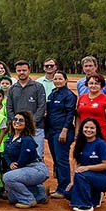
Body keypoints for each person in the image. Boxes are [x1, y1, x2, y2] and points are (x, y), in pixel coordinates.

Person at [2, 112, 49, 209]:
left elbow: (25, 156)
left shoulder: (27, 139)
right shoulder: (10, 138)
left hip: (35, 169)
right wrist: (10, 164)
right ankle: (40, 194)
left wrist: (16, 166)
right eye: (15, 119)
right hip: (23, 169)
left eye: (21, 120)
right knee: (12, 198)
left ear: (26, 123)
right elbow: (5, 153)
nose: (17, 122)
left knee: (7, 177)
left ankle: (28, 200)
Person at [68, 118, 106, 211]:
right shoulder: (80, 143)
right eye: (86, 127)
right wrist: (73, 181)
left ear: (96, 130)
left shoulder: (101, 144)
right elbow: (76, 163)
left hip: (103, 177)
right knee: (68, 194)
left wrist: (87, 168)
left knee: (81, 176)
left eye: (92, 128)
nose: (88, 130)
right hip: (87, 176)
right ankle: (96, 197)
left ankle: (86, 205)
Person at [6, 60, 47, 159]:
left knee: (36, 156)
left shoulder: (38, 87)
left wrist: (30, 123)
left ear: (29, 70)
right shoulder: (12, 89)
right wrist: (17, 122)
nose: (21, 73)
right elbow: (9, 108)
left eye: (24, 70)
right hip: (17, 130)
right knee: (19, 156)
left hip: (36, 129)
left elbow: (41, 107)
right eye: (19, 70)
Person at [45, 70, 76, 199]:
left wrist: (65, 130)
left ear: (66, 80)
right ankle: (60, 186)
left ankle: (64, 188)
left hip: (62, 132)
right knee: (56, 159)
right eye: (55, 79)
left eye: (60, 79)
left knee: (62, 160)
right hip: (52, 131)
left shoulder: (69, 95)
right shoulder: (53, 94)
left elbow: (70, 114)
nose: (57, 81)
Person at [75, 74, 106, 151]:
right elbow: (78, 116)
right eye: (91, 83)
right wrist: (77, 133)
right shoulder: (82, 98)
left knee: (100, 159)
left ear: (101, 85)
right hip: (84, 134)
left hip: (100, 135)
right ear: (87, 85)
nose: (93, 86)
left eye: (97, 83)